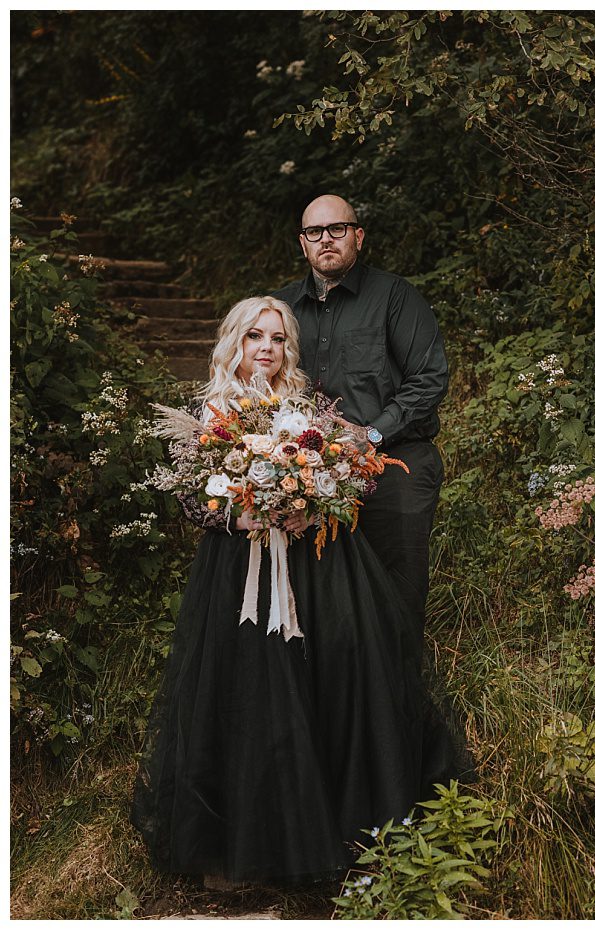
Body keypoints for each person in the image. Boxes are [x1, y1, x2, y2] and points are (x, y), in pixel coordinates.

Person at [131, 296, 460, 887]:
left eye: (278, 339)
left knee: (336, 666)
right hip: (240, 568)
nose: (267, 347)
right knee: (247, 689)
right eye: (255, 336)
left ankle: (342, 822)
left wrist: (311, 503)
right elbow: (190, 497)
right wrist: (240, 517)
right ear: (234, 340)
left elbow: (335, 474)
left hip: (312, 563)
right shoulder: (211, 410)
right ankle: (245, 845)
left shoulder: (305, 406)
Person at [271, 194, 448, 629]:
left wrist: (369, 436)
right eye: (315, 232)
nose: (326, 239)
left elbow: (429, 379)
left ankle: (396, 690)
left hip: (395, 463)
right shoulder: (281, 308)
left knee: (394, 591)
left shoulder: (395, 297)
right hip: (308, 471)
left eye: (338, 229)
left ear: (358, 236)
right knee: (317, 594)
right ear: (302, 243)